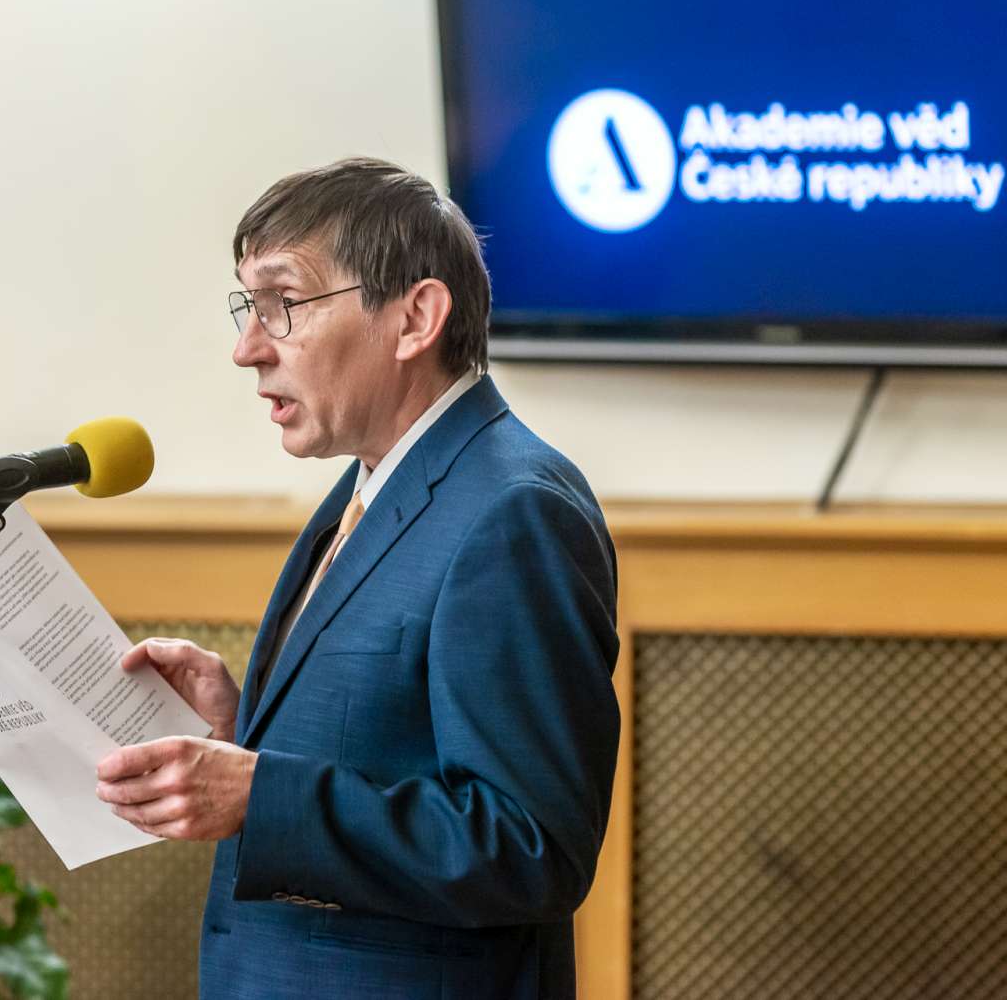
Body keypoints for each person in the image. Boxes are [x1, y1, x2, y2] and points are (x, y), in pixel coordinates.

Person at [95, 157, 620, 999]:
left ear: (415, 318)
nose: (247, 348)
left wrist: (259, 795)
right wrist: (241, 733)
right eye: (247, 307)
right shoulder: (374, 481)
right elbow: (395, 743)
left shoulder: (514, 511)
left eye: (283, 303)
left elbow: (531, 848)